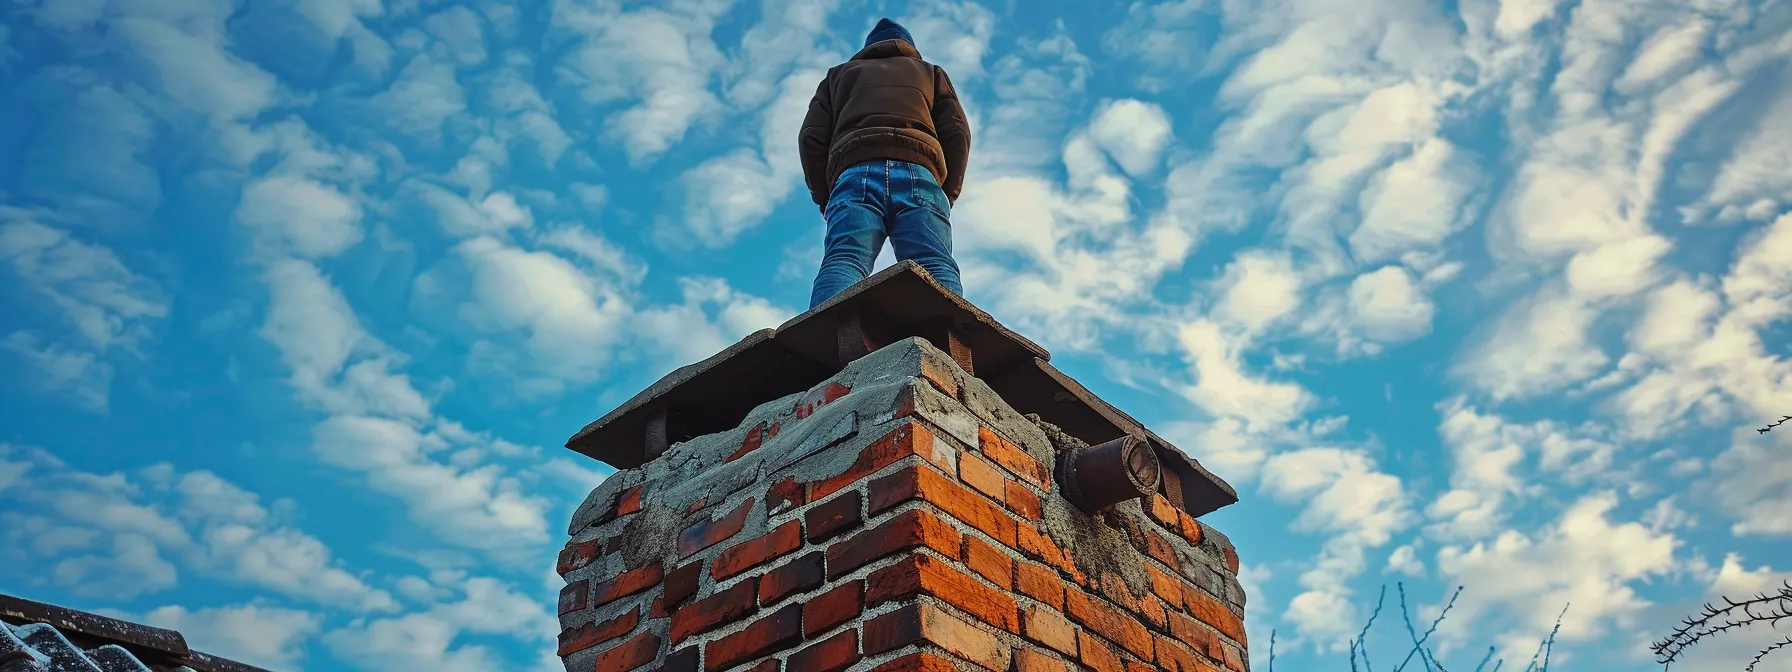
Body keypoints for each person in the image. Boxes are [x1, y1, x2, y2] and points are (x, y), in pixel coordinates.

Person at [799, 18, 970, 309]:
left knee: (846, 258)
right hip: (919, 171)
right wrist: (948, 190)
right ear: (910, 48)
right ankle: (944, 345)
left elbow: (811, 137)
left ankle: (827, 345)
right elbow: (956, 131)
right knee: (933, 261)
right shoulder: (930, 73)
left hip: (854, 171)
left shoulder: (838, 76)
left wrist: (825, 197)